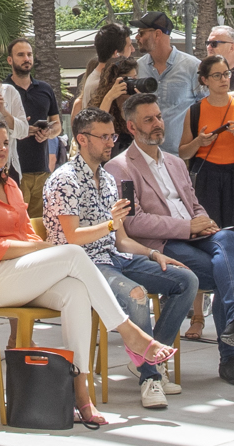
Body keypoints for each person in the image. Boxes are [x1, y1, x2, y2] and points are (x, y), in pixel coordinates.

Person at [0, 121, 178, 427]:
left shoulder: (10, 185)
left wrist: (38, 249)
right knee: (72, 252)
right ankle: (129, 333)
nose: (3, 148)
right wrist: (41, 248)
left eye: (6, 142)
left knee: (76, 291)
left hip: (16, 273)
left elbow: (26, 235)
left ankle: (81, 393)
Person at [47, 104, 203, 408]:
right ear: (82, 139)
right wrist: (109, 224)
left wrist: (154, 253)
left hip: (113, 256)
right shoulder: (65, 179)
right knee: (136, 294)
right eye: (104, 137)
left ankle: (149, 359)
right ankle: (150, 377)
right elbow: (72, 237)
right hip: (82, 264)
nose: (110, 142)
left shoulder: (107, 179)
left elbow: (120, 239)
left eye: (112, 136)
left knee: (186, 279)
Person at [109, 95, 234, 374]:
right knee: (227, 274)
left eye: (159, 117)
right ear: (132, 127)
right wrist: (187, 227)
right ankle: (232, 358)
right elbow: (133, 223)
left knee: (231, 239)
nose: (158, 123)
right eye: (148, 120)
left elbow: (193, 204)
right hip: (162, 244)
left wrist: (204, 221)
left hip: (196, 236)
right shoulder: (120, 167)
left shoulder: (175, 163)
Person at [181, 53, 234, 256]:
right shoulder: (195, 111)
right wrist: (199, 142)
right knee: (208, 236)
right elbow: (183, 152)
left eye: (226, 74)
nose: (224, 79)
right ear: (205, 80)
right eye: (217, 75)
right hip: (207, 178)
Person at [5, 38, 64, 212]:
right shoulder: (4, 90)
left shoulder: (45, 89)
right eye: (21, 55)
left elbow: (57, 125)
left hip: (42, 169)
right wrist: (22, 129)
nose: (26, 59)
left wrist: (48, 133)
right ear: (10, 60)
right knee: (16, 220)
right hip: (14, 170)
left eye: (29, 54)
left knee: (39, 222)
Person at [132, 11, 202, 152]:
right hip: (146, 154)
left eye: (141, 33)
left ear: (157, 34)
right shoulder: (138, 68)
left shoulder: (192, 66)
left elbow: (205, 107)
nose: (137, 37)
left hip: (181, 156)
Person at [205, 26, 234, 95]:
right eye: (207, 43)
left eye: (214, 43)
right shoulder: (202, 74)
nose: (209, 47)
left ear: (232, 47)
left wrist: (213, 98)